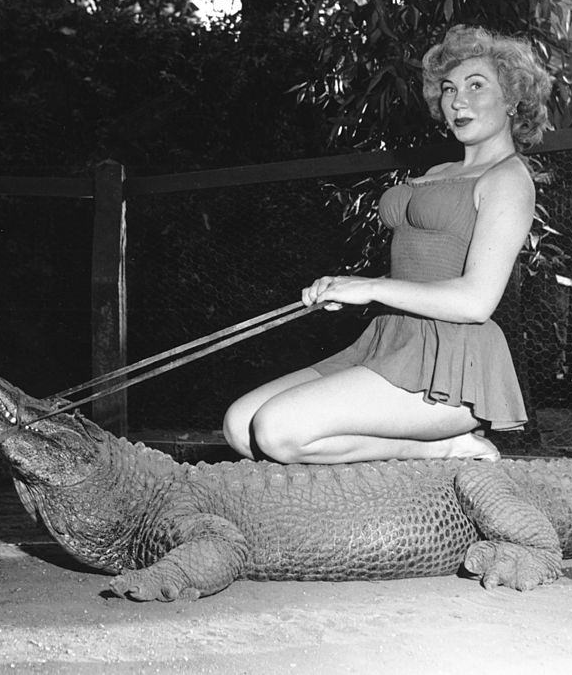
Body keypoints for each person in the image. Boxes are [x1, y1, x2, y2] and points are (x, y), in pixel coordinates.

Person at [223, 24, 552, 465]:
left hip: (450, 365)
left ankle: (446, 446)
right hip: (390, 340)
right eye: (450, 89)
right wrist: (343, 287)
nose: (458, 101)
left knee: (277, 431)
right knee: (240, 426)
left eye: (477, 86)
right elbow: (420, 265)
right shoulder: (437, 171)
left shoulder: (509, 179)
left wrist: (371, 287)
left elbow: (476, 301)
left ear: (512, 99)